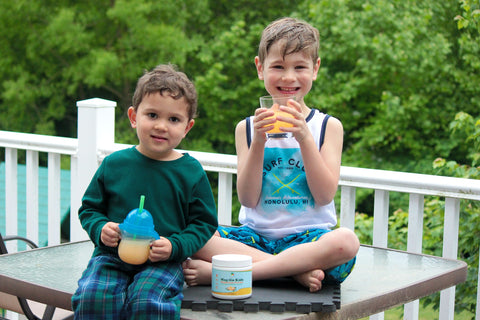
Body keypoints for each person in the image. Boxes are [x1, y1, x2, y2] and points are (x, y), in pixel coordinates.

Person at [183, 17, 359, 293]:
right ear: (260, 68)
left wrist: (304, 138)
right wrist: (259, 143)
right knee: (192, 233)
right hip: (255, 239)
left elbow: (325, 195)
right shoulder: (247, 129)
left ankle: (238, 271)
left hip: (309, 241)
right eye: (278, 66)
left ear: (315, 69)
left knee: (346, 242)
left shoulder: (328, 127)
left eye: (299, 67)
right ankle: (292, 272)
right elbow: (248, 199)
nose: (288, 77)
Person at [71, 64, 218, 320]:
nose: (161, 126)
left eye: (173, 119)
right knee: (93, 296)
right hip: (111, 257)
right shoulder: (114, 164)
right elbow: (90, 209)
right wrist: (101, 228)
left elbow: (203, 224)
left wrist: (175, 245)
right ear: (133, 116)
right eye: (152, 115)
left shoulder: (190, 171)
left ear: (187, 127)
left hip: (162, 262)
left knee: (148, 301)